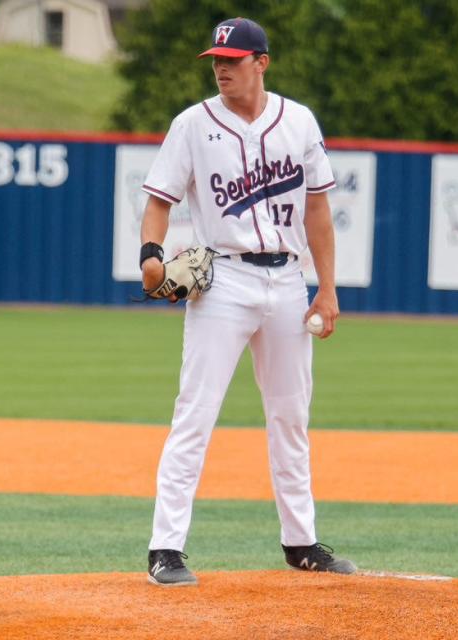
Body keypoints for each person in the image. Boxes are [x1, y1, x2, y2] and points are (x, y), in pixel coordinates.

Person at [139, 16, 356, 586]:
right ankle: (166, 549)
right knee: (196, 412)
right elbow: (159, 200)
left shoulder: (298, 121)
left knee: (291, 415)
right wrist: (150, 255)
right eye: (216, 60)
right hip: (223, 282)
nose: (221, 68)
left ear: (261, 62)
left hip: (287, 283)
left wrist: (326, 289)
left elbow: (317, 211)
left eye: (232, 60)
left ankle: (301, 542)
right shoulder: (192, 124)